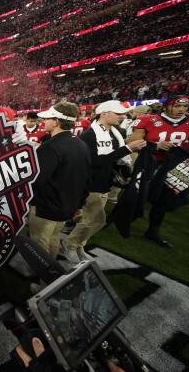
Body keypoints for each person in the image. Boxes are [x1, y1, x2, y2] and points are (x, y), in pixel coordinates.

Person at [64, 101, 146, 263]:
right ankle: (70, 245)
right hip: (90, 184)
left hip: (104, 183)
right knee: (95, 219)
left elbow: (114, 159)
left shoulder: (115, 133)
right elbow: (95, 162)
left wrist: (125, 171)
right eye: (117, 113)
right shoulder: (89, 135)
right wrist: (127, 149)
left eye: (122, 113)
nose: (122, 116)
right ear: (103, 114)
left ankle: (79, 245)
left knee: (91, 219)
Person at [127, 96, 189, 247]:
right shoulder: (149, 119)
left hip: (171, 165)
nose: (181, 109)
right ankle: (126, 220)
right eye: (176, 106)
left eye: (184, 106)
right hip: (149, 162)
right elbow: (132, 142)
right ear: (166, 107)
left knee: (165, 197)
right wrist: (154, 145)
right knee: (137, 194)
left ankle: (153, 230)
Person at [27, 101, 91, 259]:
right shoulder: (81, 144)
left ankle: (44, 281)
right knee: (53, 239)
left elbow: (37, 180)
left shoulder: (50, 147)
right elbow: (85, 179)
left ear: (56, 121)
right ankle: (50, 277)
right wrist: (79, 205)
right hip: (66, 206)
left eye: (47, 118)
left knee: (39, 244)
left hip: (46, 207)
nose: (43, 121)